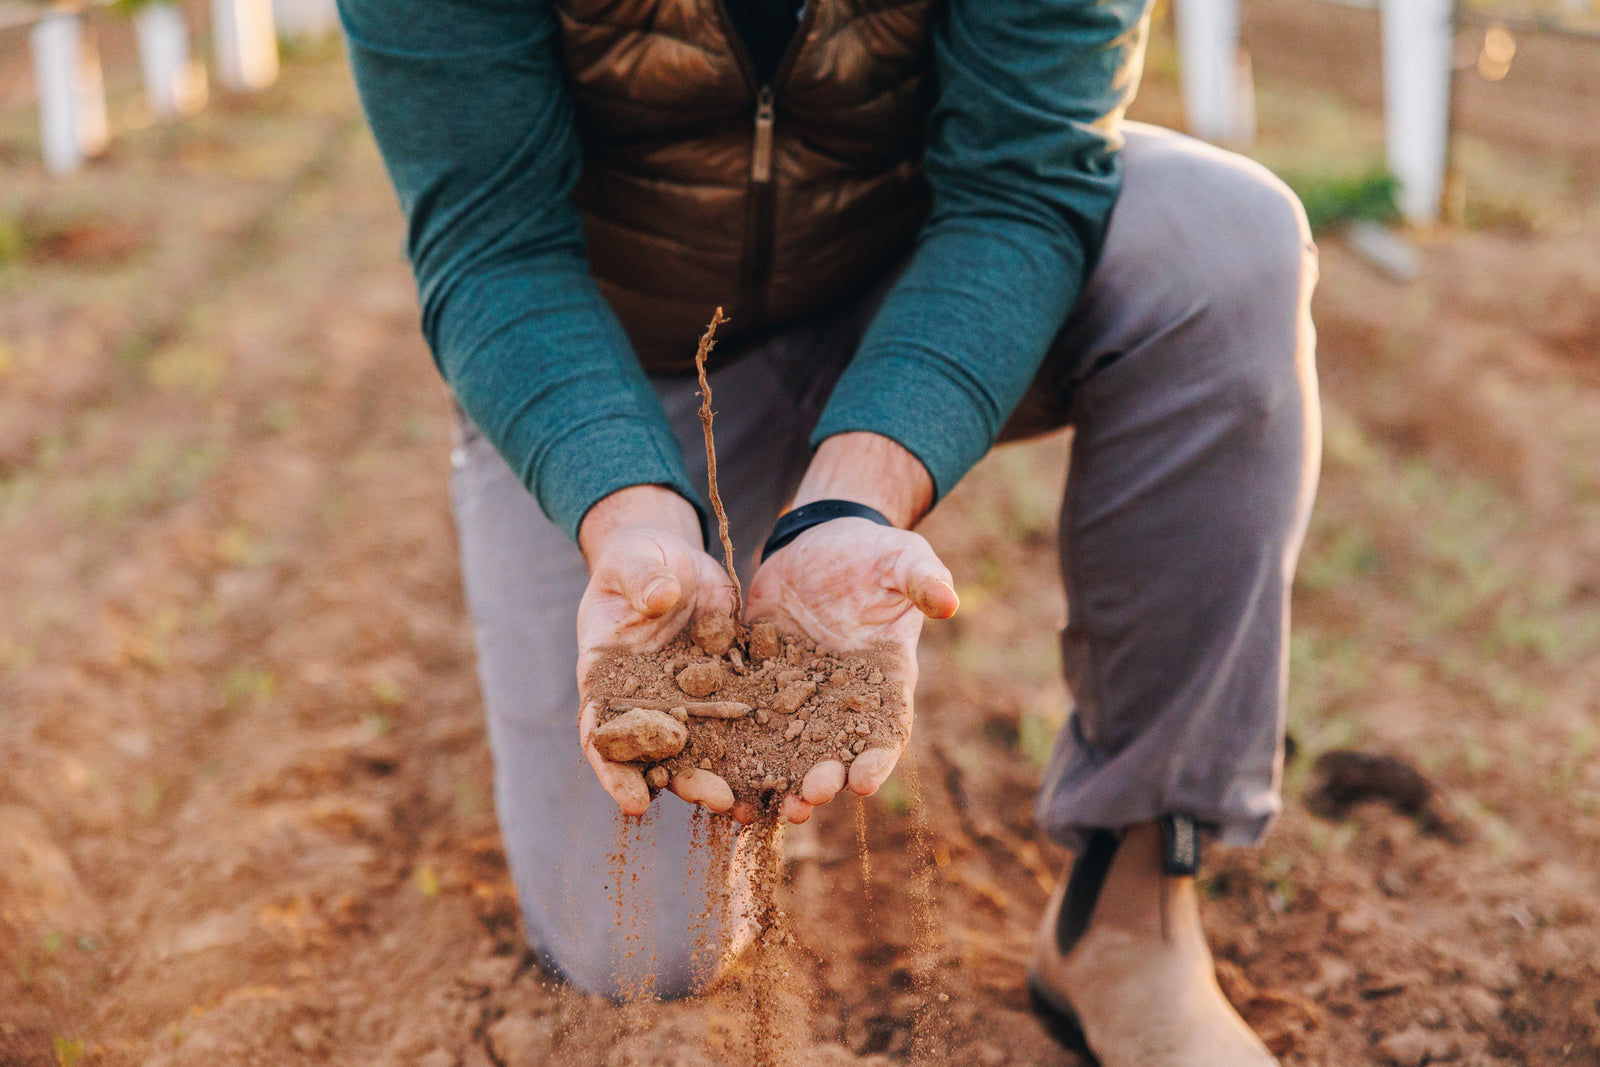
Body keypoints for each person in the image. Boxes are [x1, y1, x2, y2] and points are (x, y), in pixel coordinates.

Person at [339, 0, 1320, 1062]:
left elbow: (1022, 180)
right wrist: (626, 509)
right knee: (645, 951)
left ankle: (1130, 918)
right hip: (627, 361)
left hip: (909, 292)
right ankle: (629, 487)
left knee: (1224, 245)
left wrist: (852, 498)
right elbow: (492, 238)